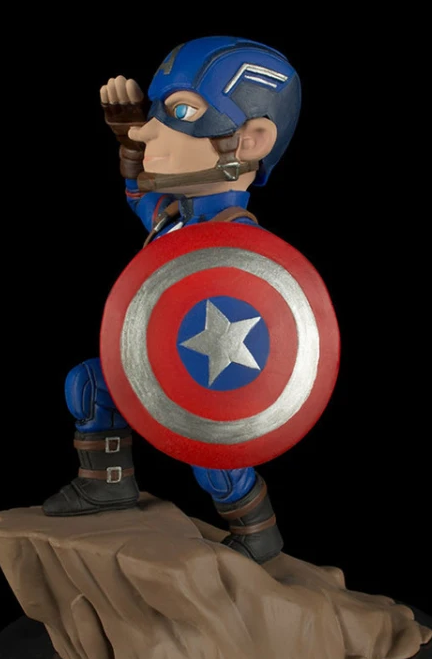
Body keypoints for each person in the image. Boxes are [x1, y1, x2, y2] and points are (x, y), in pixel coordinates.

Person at [42, 37, 301, 565]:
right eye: (154, 113)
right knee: (89, 384)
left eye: (182, 112)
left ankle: (256, 528)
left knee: (213, 455)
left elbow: (271, 329)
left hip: (212, 385)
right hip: (154, 360)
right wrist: (125, 139)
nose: (146, 130)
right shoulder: (172, 217)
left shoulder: (242, 247)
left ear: (251, 139)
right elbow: (137, 191)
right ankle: (107, 484)